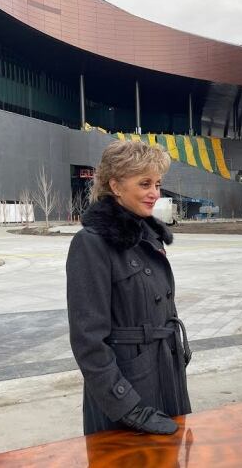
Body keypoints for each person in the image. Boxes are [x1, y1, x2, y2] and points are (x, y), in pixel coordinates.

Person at [67, 140, 191, 435]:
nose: (155, 194)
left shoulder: (148, 237)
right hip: (128, 390)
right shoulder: (92, 243)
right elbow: (88, 340)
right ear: (116, 185)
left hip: (167, 373)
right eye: (145, 183)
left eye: (158, 184)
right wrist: (129, 408)